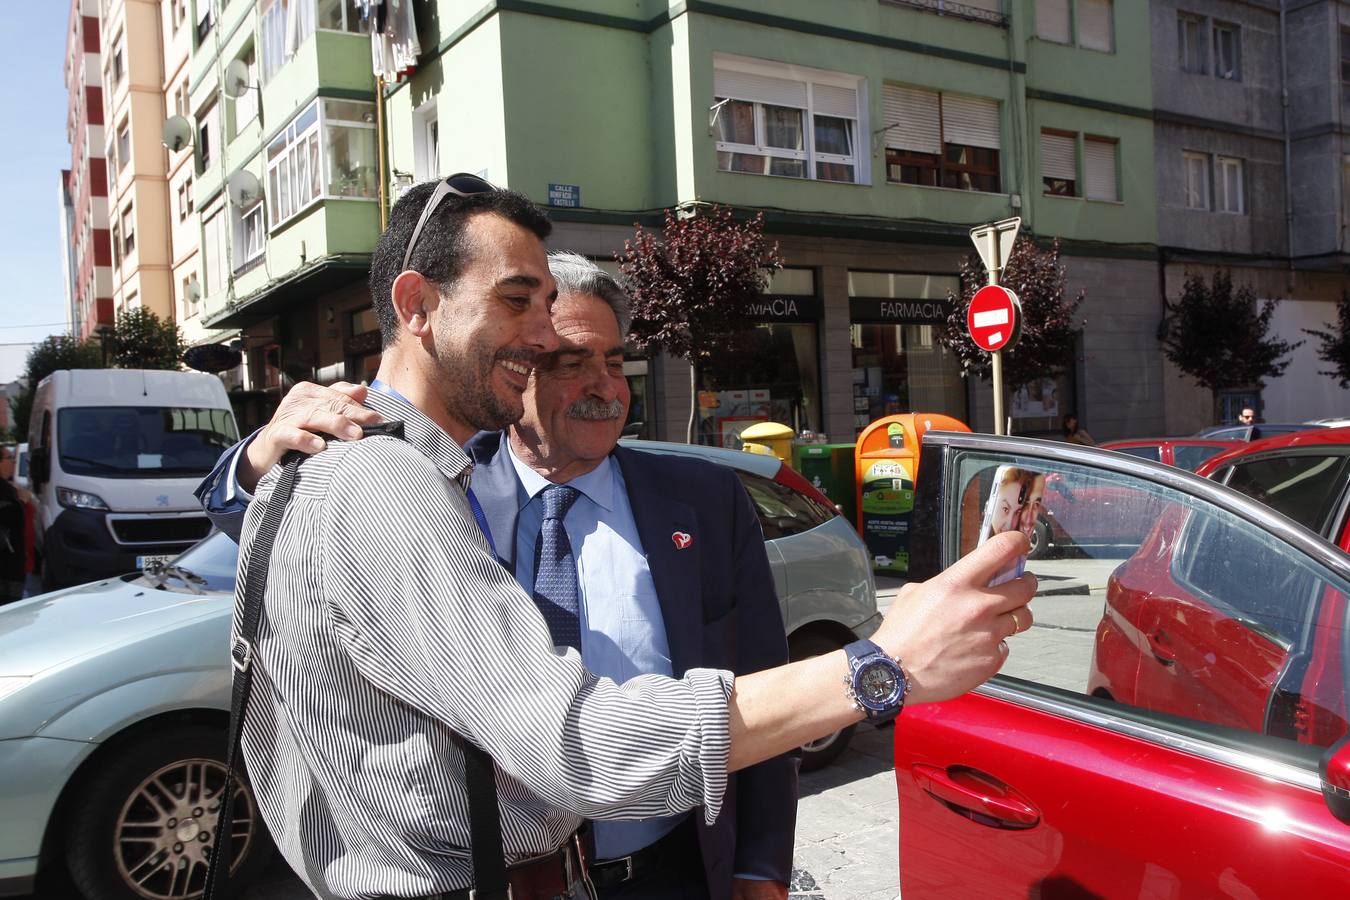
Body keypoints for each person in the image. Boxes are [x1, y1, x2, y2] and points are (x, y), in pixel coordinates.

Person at [201, 176, 1034, 900]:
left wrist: (758, 868)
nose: (542, 339)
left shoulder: (685, 499)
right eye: (518, 305)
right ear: (417, 305)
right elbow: (574, 743)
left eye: (614, 360)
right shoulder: (386, 483)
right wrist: (878, 669)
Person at [201, 253, 797, 900]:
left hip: (671, 870)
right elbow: (270, 527)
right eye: (572, 363)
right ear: (515, 365)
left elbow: (765, 683)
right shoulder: (424, 486)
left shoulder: (704, 501)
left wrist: (760, 868)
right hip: (499, 881)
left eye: (616, 362)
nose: (608, 388)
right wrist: (263, 455)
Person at [0, 446, 25, 604]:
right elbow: (9, 516)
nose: (14, 462)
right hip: (6, 565)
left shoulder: (8, 488)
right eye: (9, 458)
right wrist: (22, 500)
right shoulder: (5, 490)